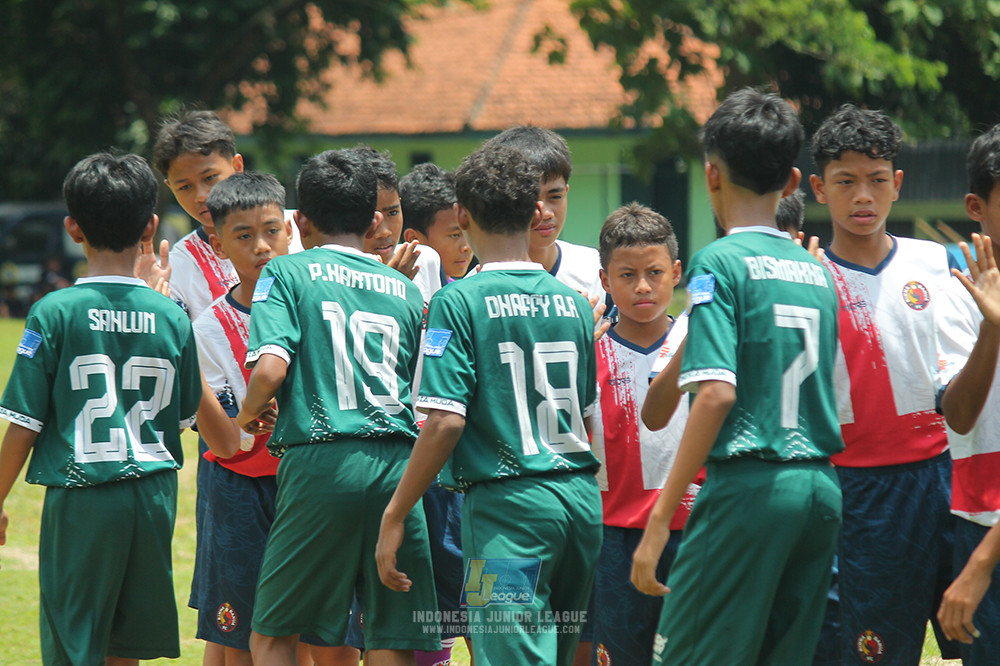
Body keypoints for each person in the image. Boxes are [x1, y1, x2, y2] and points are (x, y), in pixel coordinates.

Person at [631, 88, 843, 664]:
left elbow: (717, 393)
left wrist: (658, 522)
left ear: (712, 175)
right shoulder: (817, 273)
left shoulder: (717, 262)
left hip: (748, 488)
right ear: (794, 181)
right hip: (819, 489)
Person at [375, 142, 602, 666]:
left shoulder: (458, 300)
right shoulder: (573, 301)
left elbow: (445, 420)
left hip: (507, 510)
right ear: (533, 213)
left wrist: (395, 511)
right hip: (578, 504)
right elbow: (588, 416)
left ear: (462, 214)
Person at [236, 148, 438, 665]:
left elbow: (271, 370)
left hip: (322, 464)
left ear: (299, 222)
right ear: (373, 220)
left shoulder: (285, 273)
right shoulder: (406, 289)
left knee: (273, 633)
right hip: (399, 466)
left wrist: (247, 413)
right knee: (392, 636)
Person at [0, 152, 201, 664]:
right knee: (124, 646)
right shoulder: (171, 316)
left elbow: (23, 425)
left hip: (83, 495)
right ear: (150, 227)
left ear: (72, 228)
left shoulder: (54, 311)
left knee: (75, 644)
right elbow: (182, 417)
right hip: (153, 496)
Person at [808, 103, 964, 663]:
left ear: (897, 184)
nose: (863, 197)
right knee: (875, 649)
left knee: (977, 635)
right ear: (818, 189)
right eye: (845, 182)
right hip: (859, 490)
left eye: (876, 180)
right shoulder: (809, 276)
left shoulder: (936, 262)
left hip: (947, 476)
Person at [588, 202, 697, 665]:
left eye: (653, 272)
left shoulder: (700, 340)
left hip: (694, 531)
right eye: (627, 275)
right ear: (604, 280)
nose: (643, 287)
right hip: (614, 535)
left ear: (675, 272)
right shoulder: (587, 351)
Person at [932, 123, 1000, 663]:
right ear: (976, 206)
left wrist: (982, 563)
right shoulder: (958, 296)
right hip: (977, 517)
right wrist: (992, 328)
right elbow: (957, 415)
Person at [482, 125, 605, 304]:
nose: (545, 213)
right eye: (529, 199)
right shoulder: (480, 287)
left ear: (566, 192)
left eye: (555, 197)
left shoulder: (597, 271)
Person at [399, 162, 474, 281]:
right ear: (413, 239)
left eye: (469, 232)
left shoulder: (458, 291)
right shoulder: (406, 295)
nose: (467, 247)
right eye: (455, 235)